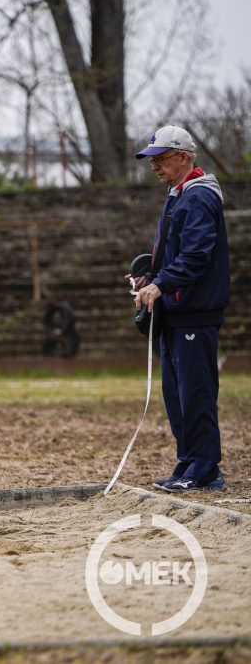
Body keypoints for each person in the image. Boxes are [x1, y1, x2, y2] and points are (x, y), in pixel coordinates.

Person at [132, 125, 229, 493]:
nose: (154, 166)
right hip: (174, 312)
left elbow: (196, 256)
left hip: (195, 313)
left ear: (184, 157)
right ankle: (187, 463)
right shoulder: (178, 195)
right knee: (177, 396)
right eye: (152, 160)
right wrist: (149, 277)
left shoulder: (199, 197)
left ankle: (205, 470)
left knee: (195, 394)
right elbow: (175, 254)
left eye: (161, 158)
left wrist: (161, 284)